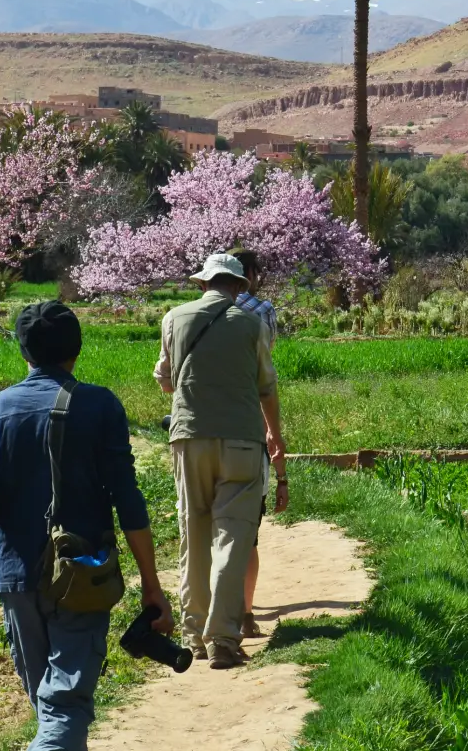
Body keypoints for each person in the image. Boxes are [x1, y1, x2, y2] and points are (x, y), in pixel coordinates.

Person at [0, 301, 172, 751]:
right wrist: (151, 584)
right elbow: (128, 500)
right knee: (64, 708)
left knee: (50, 708)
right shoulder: (99, 406)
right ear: (76, 349)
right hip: (82, 575)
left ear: (24, 352)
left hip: (16, 580)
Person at [155, 253, 286, 669]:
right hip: (243, 442)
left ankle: (193, 635)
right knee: (234, 537)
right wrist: (276, 439)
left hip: (189, 438)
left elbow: (165, 378)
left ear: (204, 284)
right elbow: (266, 387)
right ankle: (223, 639)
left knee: (193, 531)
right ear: (237, 286)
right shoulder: (252, 324)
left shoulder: (174, 318)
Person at [230, 249, 286, 639]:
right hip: (249, 424)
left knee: (205, 530)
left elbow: (166, 379)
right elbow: (266, 373)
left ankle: (204, 620)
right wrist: (275, 437)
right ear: (248, 274)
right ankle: (245, 614)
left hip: (198, 433)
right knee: (246, 529)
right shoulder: (261, 312)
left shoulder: (185, 316)